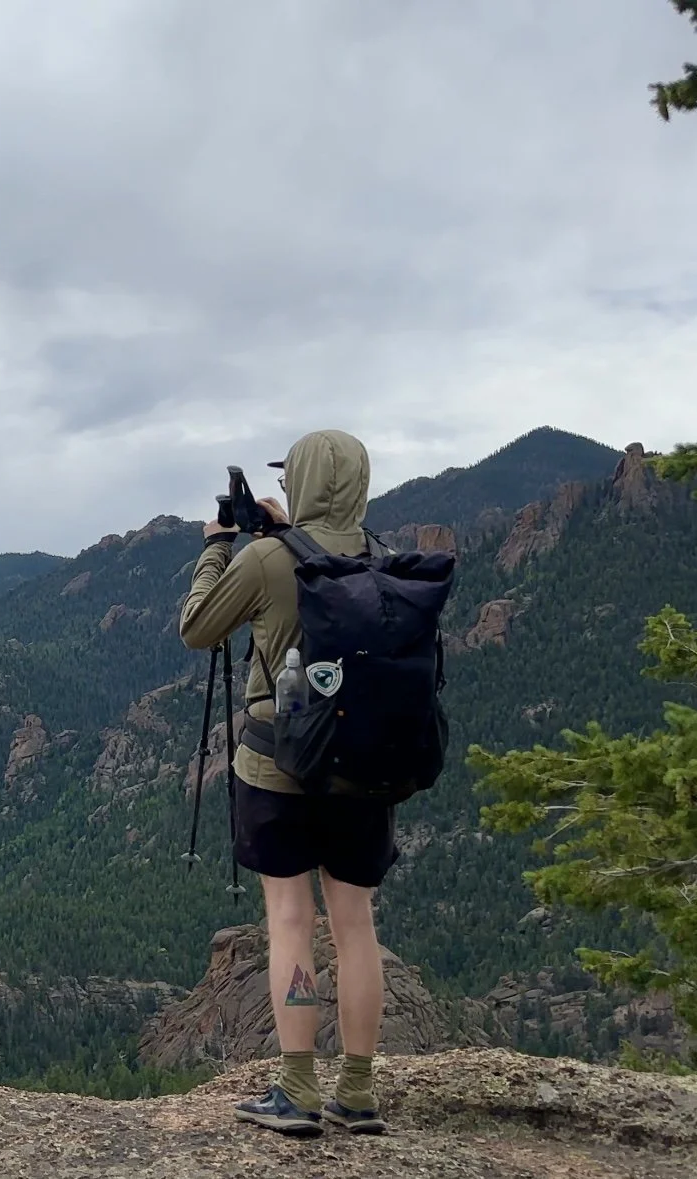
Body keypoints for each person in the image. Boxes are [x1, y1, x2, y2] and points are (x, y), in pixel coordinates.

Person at [179, 429, 394, 1138]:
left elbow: (197, 627)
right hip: (363, 769)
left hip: (279, 767)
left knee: (291, 920)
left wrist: (219, 544)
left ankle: (298, 1086)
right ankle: (358, 1091)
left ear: (299, 480)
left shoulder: (270, 559)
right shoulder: (382, 558)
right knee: (355, 924)